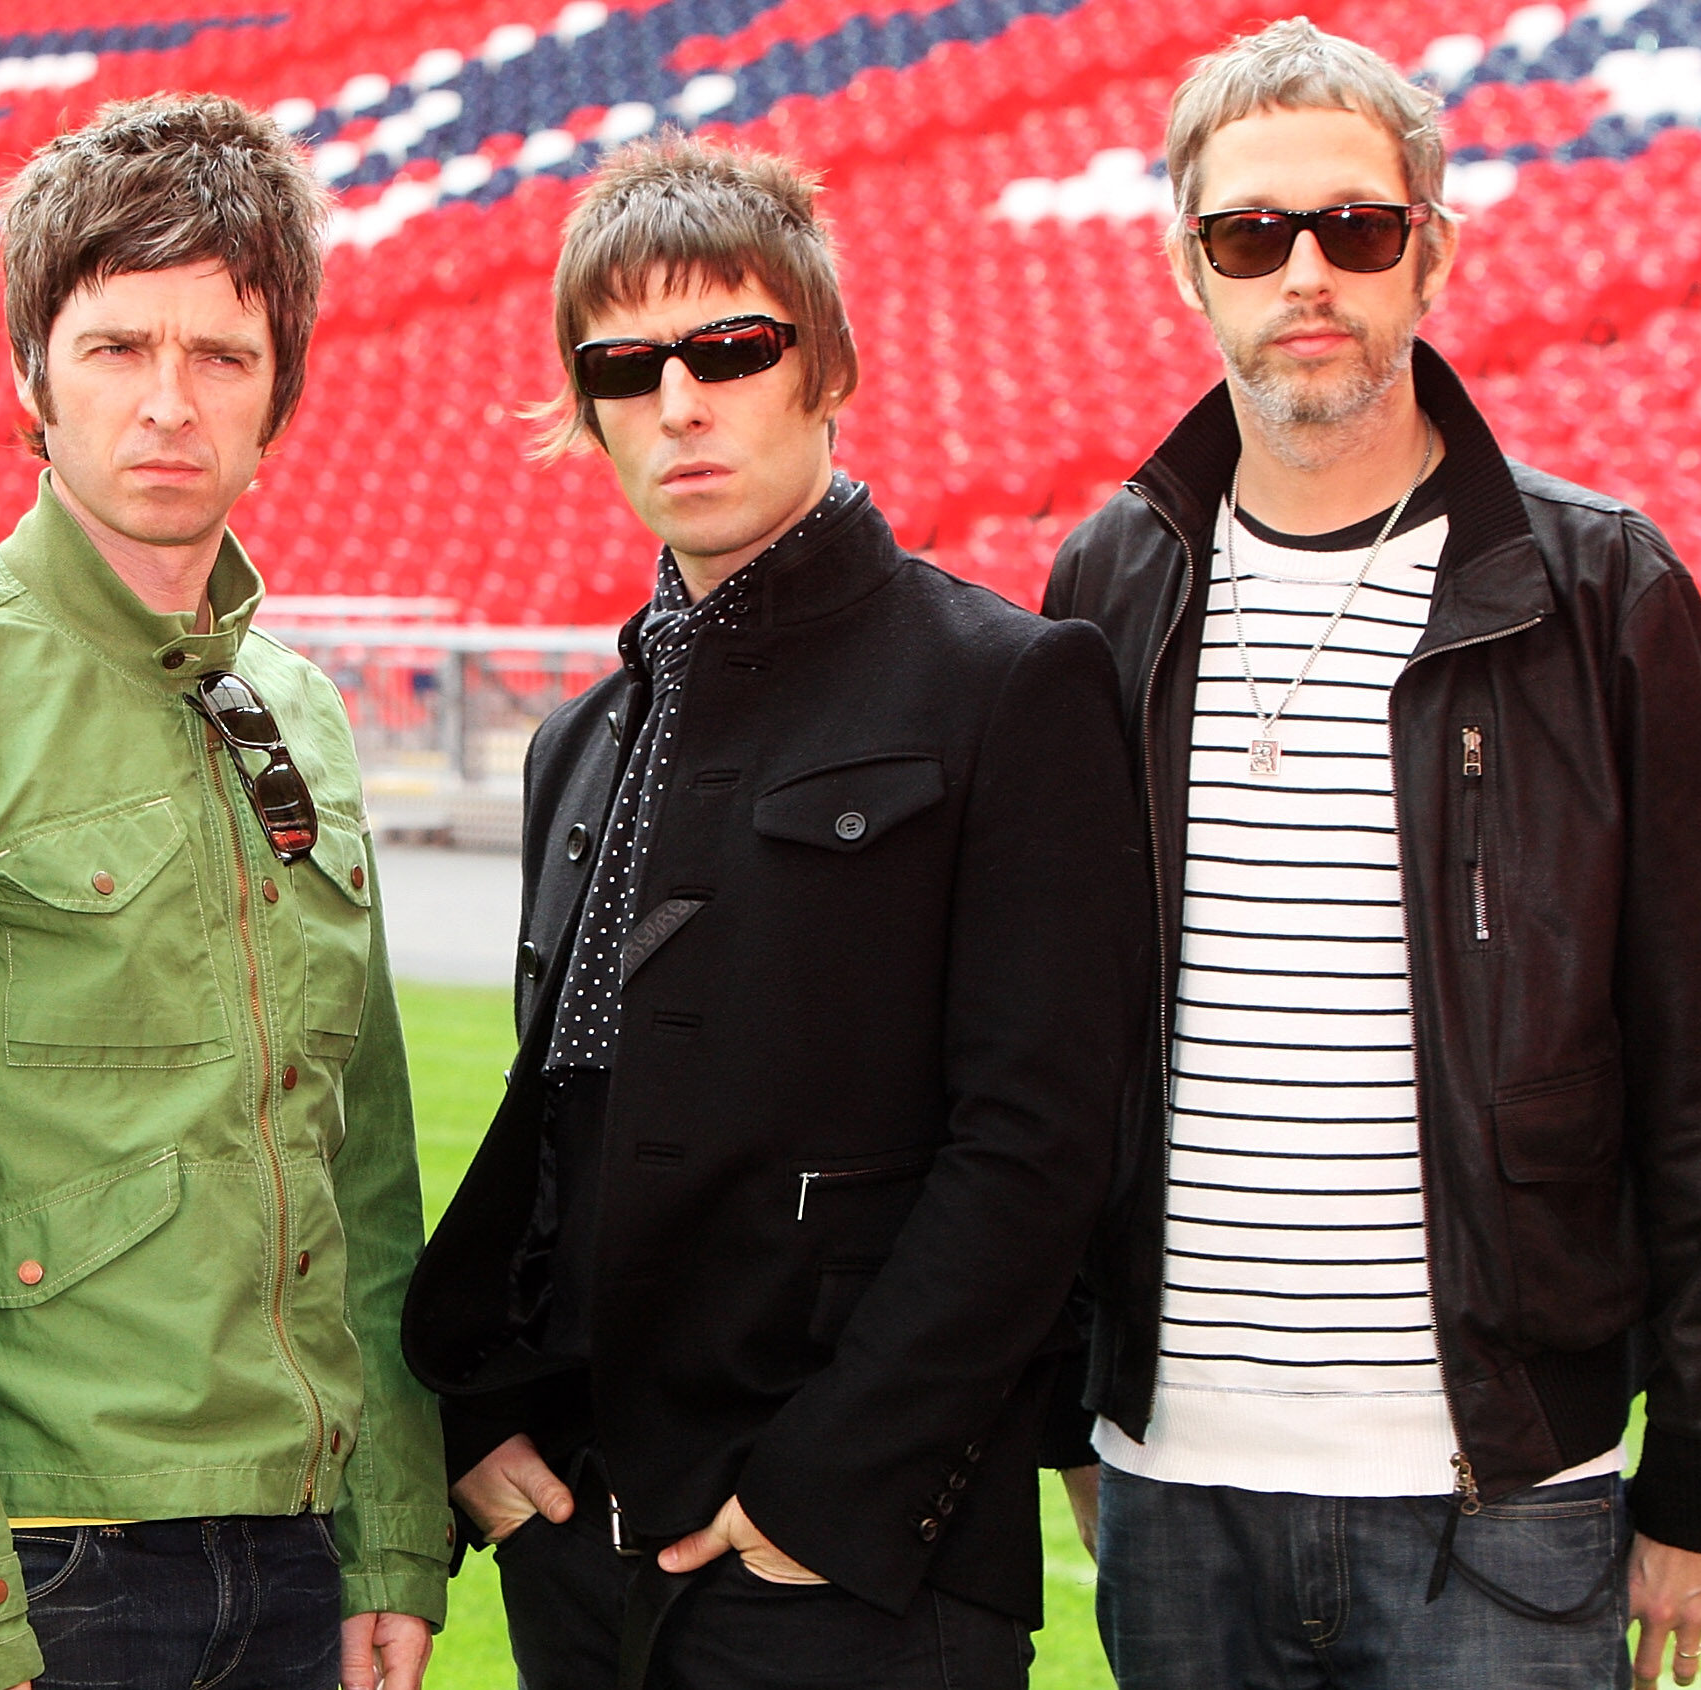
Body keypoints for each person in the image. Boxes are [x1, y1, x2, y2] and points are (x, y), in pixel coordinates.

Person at [1041, 21, 1701, 1690]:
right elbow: (1043, 1029)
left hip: (1506, 1497)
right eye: (1254, 233)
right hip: (1174, 1486)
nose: (1305, 271)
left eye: (1356, 229)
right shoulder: (1106, 582)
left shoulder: (1604, 593)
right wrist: (1066, 1412)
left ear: (1430, 252)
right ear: (1191, 267)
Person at [400, 135, 1150, 1689]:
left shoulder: (1007, 683)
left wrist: (832, 1491)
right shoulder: (580, 737)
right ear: (587, 409)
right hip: (577, 1550)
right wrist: (485, 1414)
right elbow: (567, 1119)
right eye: (626, 365)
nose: (681, 400)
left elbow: (1039, 1144)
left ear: (828, 364)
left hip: (845, 1570)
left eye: (732, 346)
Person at [0, 94, 446, 1690]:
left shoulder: (306, 715)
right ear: (29, 378)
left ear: (283, 395)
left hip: (303, 1547)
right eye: (119, 347)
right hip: (43, 1568)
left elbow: (366, 1165)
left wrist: (392, 1529)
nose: (168, 403)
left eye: (221, 355)